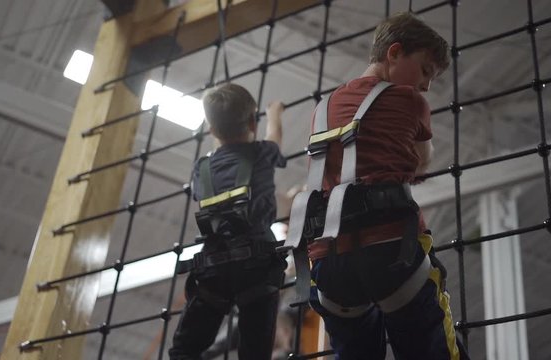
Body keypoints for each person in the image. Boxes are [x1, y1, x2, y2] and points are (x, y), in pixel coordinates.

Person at [304, 12, 470, 359]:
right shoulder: (410, 101)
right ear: (394, 53)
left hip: (328, 264)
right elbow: (422, 162)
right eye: (425, 70)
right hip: (392, 251)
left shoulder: (322, 108)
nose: (426, 85)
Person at [169, 83, 288, 360]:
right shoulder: (261, 153)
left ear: (211, 130)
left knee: (184, 350)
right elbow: (275, 138)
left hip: (214, 267)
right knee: (255, 352)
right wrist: (274, 113)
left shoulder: (202, 168)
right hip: (257, 266)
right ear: (251, 123)